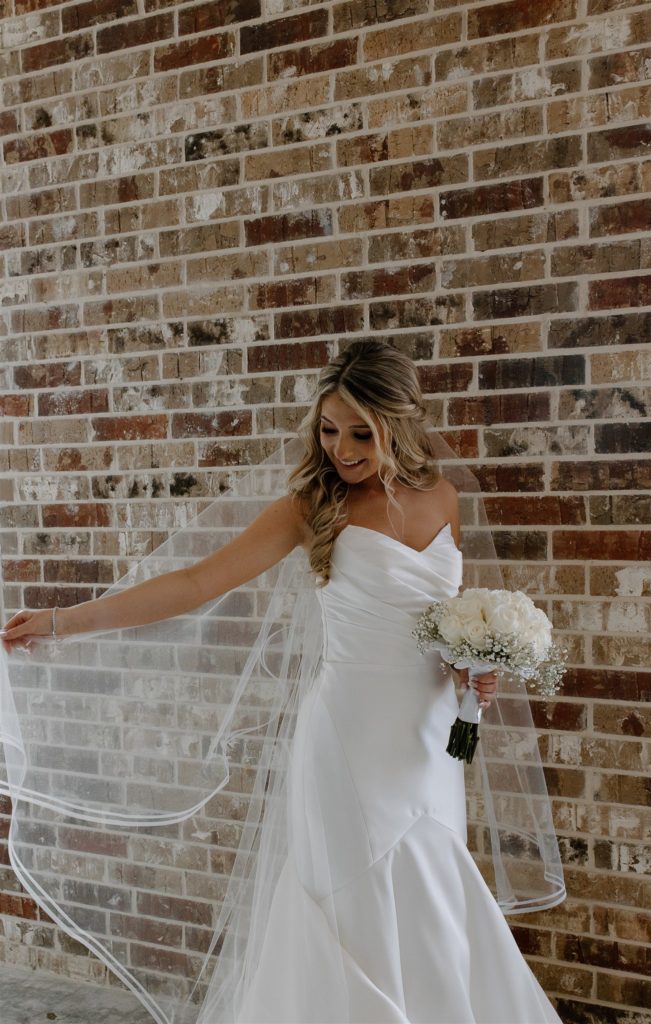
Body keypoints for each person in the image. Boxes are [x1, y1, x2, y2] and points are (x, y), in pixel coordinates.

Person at [0, 340, 563, 1023]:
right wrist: (62, 621)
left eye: (361, 432)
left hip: (430, 736)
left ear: (401, 421)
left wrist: (471, 664)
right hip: (348, 736)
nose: (342, 449)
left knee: (432, 887)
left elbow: (434, 622)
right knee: (351, 894)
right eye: (329, 429)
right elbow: (195, 582)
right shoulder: (311, 505)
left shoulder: (443, 498)